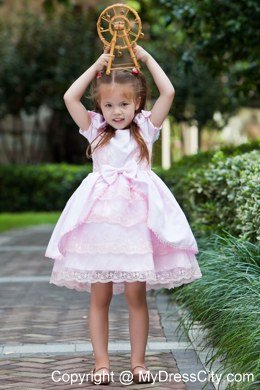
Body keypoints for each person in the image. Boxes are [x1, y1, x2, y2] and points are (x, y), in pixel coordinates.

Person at [45, 44, 202, 385]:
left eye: (124, 104)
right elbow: (70, 97)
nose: (117, 111)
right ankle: (101, 363)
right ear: (100, 106)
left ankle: (138, 363)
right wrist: (96, 65)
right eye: (109, 104)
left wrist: (145, 59)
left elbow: (170, 91)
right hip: (100, 225)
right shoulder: (95, 129)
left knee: (136, 295)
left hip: (136, 227)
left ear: (137, 103)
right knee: (99, 295)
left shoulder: (146, 129)